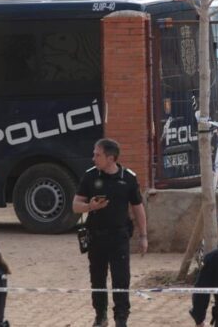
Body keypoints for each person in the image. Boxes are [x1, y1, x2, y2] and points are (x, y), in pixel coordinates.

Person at [73, 138, 148, 327]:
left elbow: (138, 208)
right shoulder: (90, 177)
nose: (93, 158)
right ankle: (100, 315)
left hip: (119, 236)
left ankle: (121, 318)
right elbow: (75, 206)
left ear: (111, 158)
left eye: (97, 155)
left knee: (121, 279)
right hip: (96, 236)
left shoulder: (128, 178)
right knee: (97, 278)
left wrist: (143, 236)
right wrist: (90, 206)